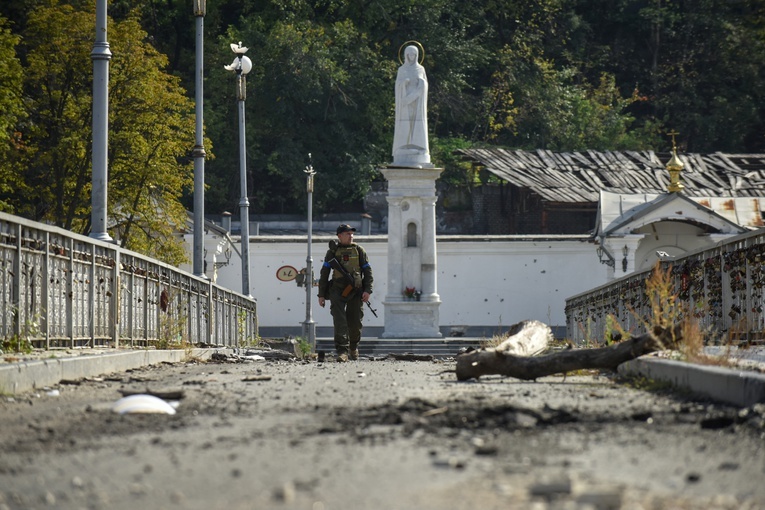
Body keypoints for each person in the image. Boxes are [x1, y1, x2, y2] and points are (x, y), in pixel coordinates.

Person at [318, 224, 374, 362]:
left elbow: (367, 271)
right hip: (337, 289)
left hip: (355, 290)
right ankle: (342, 351)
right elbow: (324, 273)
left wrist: (367, 290)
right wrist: (321, 294)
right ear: (339, 236)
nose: (351, 236)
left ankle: (353, 347)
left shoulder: (359, 250)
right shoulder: (332, 252)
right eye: (347, 233)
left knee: (355, 321)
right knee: (339, 320)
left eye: (352, 234)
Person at [392, 44, 431, 167]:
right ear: (405, 55)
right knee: (405, 122)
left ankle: (418, 146)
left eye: (414, 54)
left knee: (417, 122)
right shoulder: (401, 70)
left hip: (417, 101)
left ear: (417, 55)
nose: (411, 57)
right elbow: (397, 85)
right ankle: (403, 145)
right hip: (405, 101)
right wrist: (403, 83)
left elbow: (425, 84)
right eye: (409, 54)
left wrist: (421, 83)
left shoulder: (421, 69)